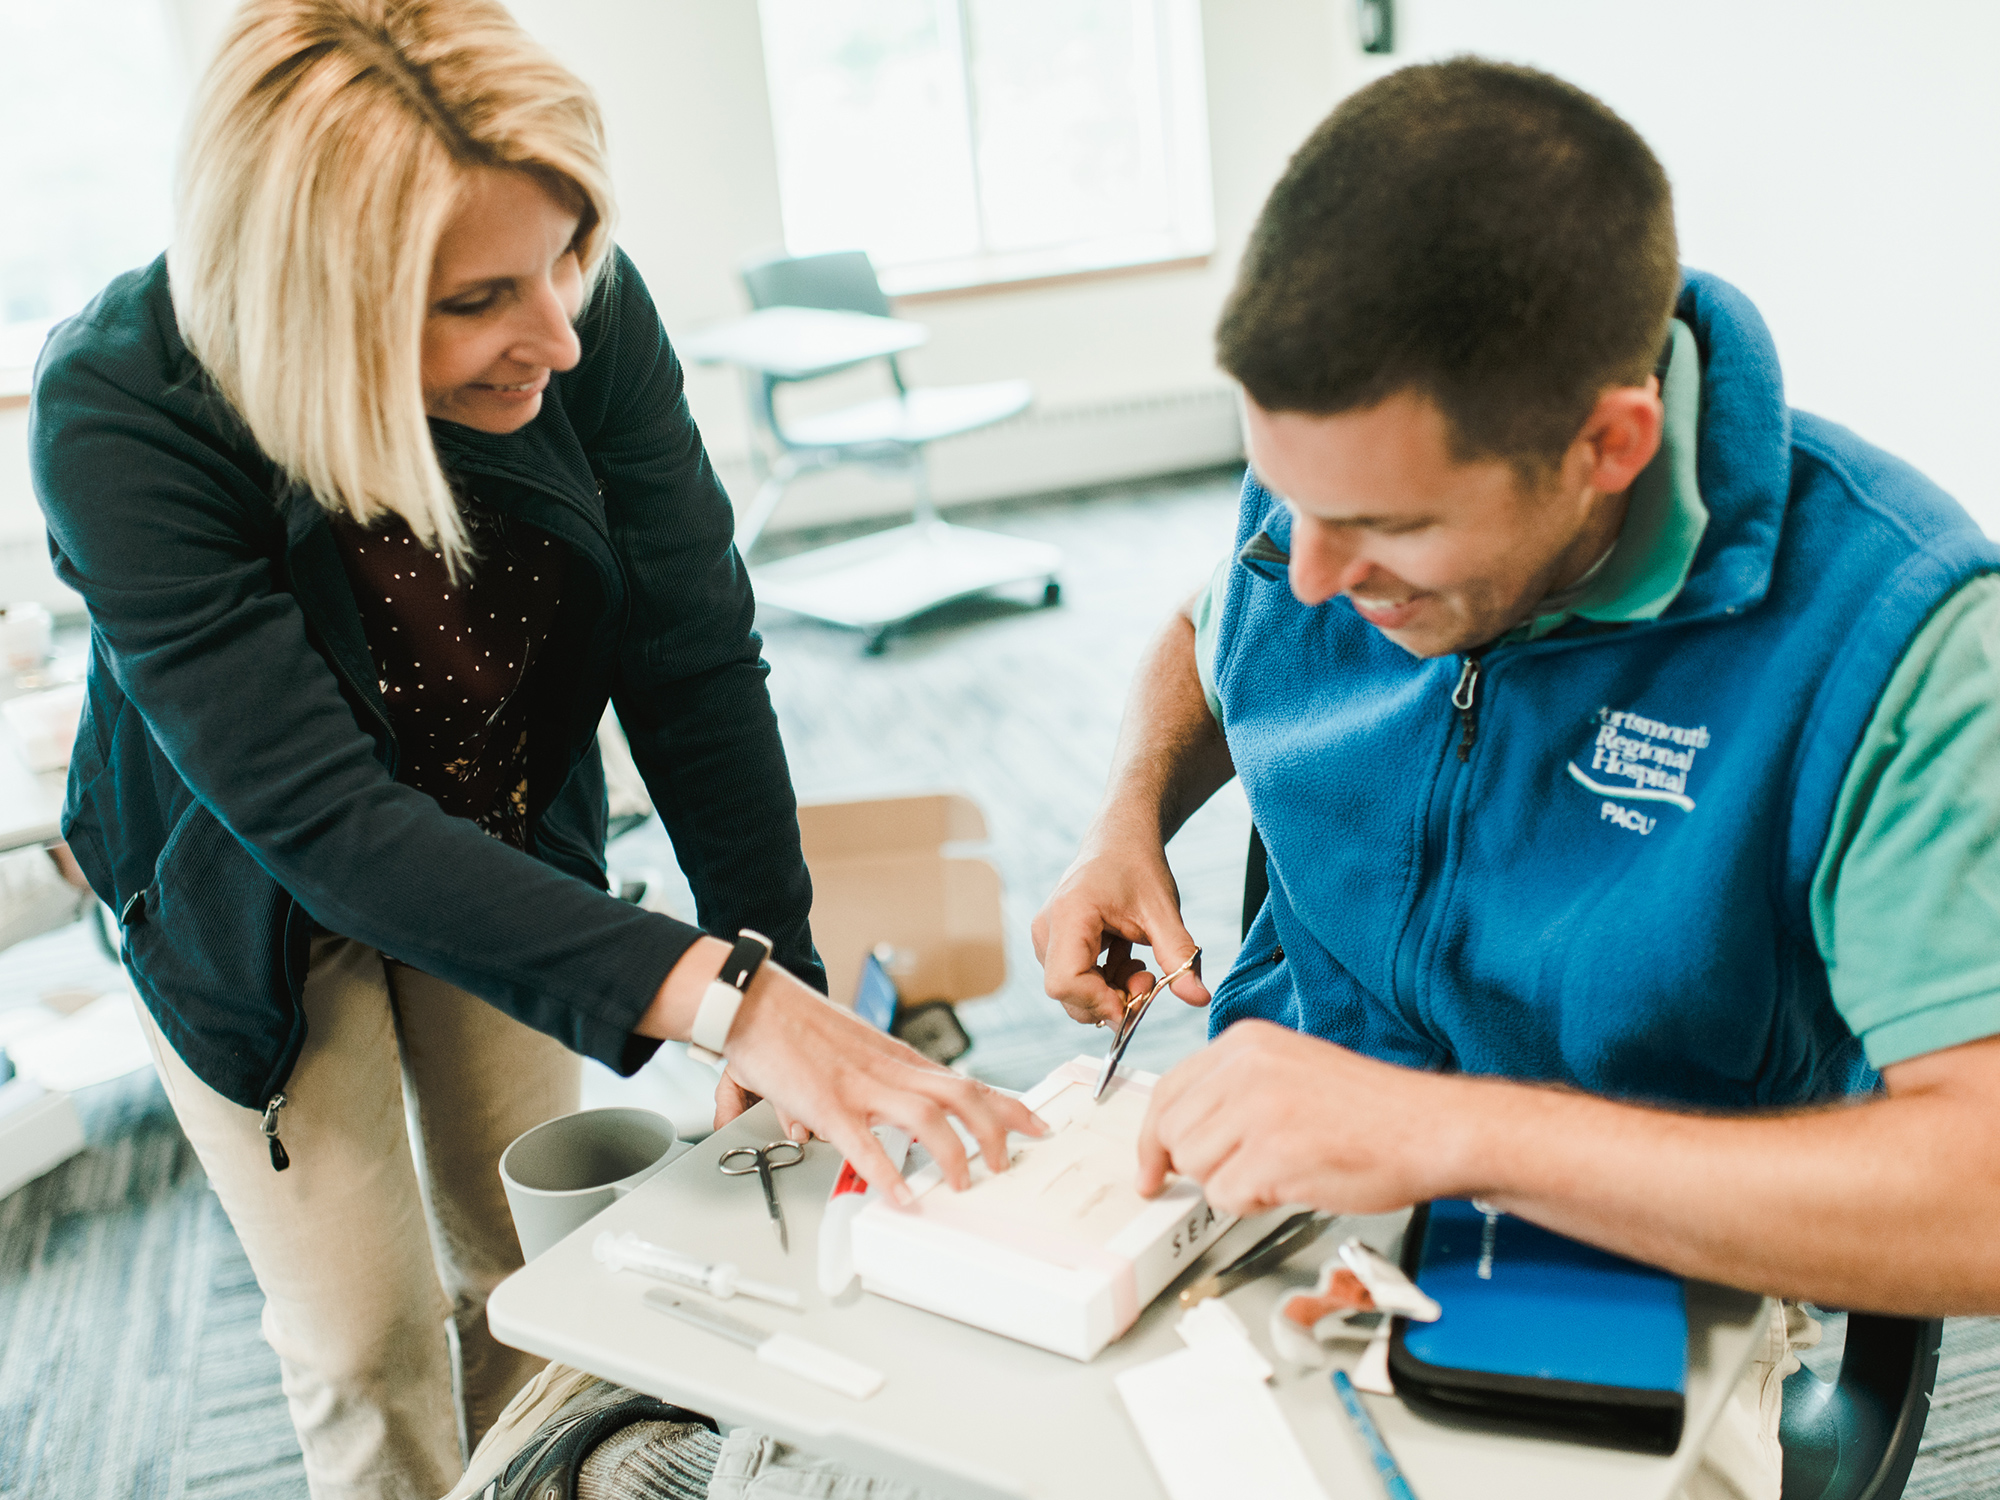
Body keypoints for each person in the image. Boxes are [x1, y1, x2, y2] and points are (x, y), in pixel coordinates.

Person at [30, 3, 1034, 1496]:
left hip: (503, 840)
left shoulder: (581, 312)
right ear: (322, 297)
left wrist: (776, 972)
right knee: (362, 1348)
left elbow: (692, 658)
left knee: (537, 1282)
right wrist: (723, 1004)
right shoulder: (122, 407)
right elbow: (319, 815)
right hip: (253, 904)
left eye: (568, 257)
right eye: (480, 298)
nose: (562, 334)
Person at [1033, 57, 2000, 1498]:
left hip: (1637, 1269)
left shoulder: (1900, 640)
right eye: (1285, 500)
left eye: (1380, 530)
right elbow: (1210, 627)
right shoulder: (1336, 482)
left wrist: (1443, 1135)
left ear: (1608, 447)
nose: (1305, 570)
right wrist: (1131, 812)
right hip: (1268, 1176)